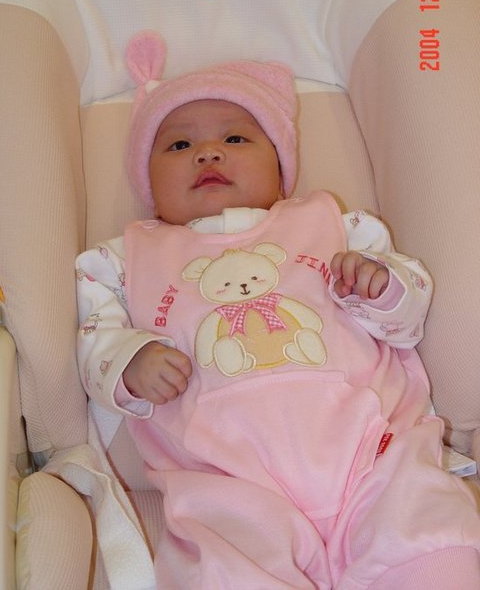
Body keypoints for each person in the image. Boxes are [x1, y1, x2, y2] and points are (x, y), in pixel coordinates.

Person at [76, 30, 480, 589]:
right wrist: (129, 361)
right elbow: (94, 338)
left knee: (430, 537)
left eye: (236, 137)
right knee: (227, 570)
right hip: (227, 480)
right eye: (178, 145)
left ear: (281, 166)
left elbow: (408, 320)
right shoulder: (125, 260)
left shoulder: (336, 226)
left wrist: (381, 288)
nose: (207, 153)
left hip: (372, 453)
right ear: (148, 182)